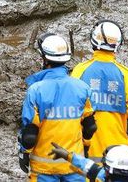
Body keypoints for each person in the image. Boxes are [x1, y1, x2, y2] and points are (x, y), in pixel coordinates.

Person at [18, 33, 96, 181]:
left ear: (45, 59)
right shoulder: (83, 88)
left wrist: (24, 153)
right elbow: (90, 126)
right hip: (74, 165)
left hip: (43, 168)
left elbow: (29, 134)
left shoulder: (36, 90)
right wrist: (85, 148)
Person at [71, 20, 128, 161]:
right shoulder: (124, 74)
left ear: (93, 40)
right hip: (117, 152)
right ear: (118, 45)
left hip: (85, 150)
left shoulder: (80, 71)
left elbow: (71, 105)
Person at [49, 143, 128, 181]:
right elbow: (89, 167)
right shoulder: (109, 176)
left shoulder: (105, 177)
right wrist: (68, 156)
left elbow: (92, 169)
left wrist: (68, 156)